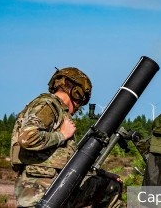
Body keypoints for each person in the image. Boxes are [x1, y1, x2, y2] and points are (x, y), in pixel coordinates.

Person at [10, 67, 123, 207]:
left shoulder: (57, 111)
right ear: (76, 92)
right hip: (42, 189)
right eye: (82, 100)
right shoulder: (48, 105)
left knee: (109, 186)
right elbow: (28, 137)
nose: (79, 106)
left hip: (52, 186)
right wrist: (62, 135)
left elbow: (67, 159)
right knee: (111, 189)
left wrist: (101, 173)